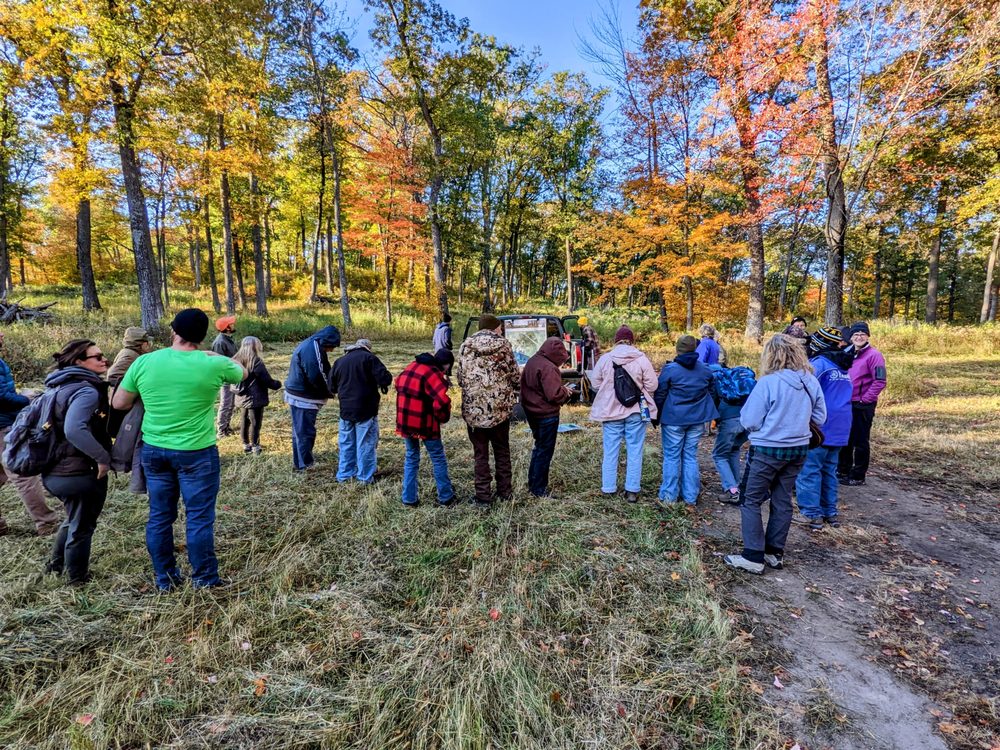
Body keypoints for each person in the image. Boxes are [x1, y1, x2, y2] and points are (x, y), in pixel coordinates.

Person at [112, 308, 246, 591]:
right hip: (198, 453)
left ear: (174, 331)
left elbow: (119, 403)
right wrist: (214, 355)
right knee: (198, 517)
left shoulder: (146, 362)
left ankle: (166, 578)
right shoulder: (212, 364)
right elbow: (243, 372)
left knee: (160, 516)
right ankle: (205, 579)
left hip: (154, 449)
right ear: (202, 337)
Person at [724, 334, 826, 575]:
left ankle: (752, 555)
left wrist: (770, 427)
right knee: (782, 499)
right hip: (798, 450)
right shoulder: (810, 381)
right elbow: (821, 418)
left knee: (750, 499)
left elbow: (748, 419)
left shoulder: (768, 383)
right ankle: (774, 552)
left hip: (767, 450)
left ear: (771, 355)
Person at [43, 339, 113, 585]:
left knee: (73, 518)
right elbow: (74, 429)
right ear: (78, 362)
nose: (104, 359)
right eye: (97, 356)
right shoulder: (85, 390)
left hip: (54, 469)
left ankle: (55, 566)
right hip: (77, 472)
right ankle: (77, 579)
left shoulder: (58, 384)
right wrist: (103, 458)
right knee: (82, 526)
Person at [0, 330, 61, 537]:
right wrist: (27, 399)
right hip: (3, 425)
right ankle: (47, 524)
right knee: (23, 475)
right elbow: (2, 396)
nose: (2, 337)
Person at [589, 325, 657, 503]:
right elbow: (653, 385)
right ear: (632, 340)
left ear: (615, 340)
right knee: (635, 450)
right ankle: (632, 491)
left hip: (610, 412)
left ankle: (609, 488)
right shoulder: (641, 358)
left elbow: (595, 384)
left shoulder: (605, 359)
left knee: (610, 450)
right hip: (635, 410)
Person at [457, 315, 521, 508]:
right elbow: (515, 376)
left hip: (474, 412)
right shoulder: (504, 345)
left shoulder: (465, 347)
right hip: (499, 411)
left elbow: (460, 378)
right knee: (502, 451)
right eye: (500, 328)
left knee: (480, 454)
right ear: (494, 328)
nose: (501, 331)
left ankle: (483, 497)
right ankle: (505, 492)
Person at [794, 326, 854, 530]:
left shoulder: (818, 365)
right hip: (841, 426)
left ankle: (810, 513)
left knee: (810, 469)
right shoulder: (843, 367)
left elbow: (804, 393)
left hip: (820, 426)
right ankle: (830, 512)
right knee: (829, 470)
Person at [653, 335, 718, 506]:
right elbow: (712, 393)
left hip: (674, 419)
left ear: (678, 349)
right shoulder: (705, 369)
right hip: (697, 419)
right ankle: (690, 496)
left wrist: (656, 416)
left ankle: (669, 497)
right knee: (690, 456)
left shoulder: (670, 369)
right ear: (695, 349)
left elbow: (660, 394)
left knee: (672, 457)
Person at [395, 349, 456, 507]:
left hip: (405, 421)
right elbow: (441, 401)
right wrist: (443, 417)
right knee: (437, 458)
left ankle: (409, 498)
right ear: (446, 365)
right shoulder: (432, 373)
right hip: (424, 422)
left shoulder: (411, 366)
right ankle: (446, 496)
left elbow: (397, 383)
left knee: (411, 457)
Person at [330, 338, 393, 484]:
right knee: (365, 444)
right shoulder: (370, 358)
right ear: (367, 348)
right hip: (366, 410)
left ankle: (345, 475)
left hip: (345, 410)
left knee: (346, 443)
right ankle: (364, 477)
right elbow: (386, 378)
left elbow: (331, 387)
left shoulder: (340, 361)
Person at [520, 337, 573, 498]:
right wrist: (566, 391)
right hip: (546, 414)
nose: (561, 364)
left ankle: (533, 483)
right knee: (544, 451)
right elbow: (554, 394)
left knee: (539, 448)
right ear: (556, 354)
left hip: (531, 411)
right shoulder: (549, 367)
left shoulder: (533, 361)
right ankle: (539, 489)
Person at [284, 325, 341, 472]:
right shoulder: (312, 349)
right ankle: (305, 465)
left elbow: (324, 368)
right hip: (303, 397)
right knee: (305, 432)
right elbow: (317, 374)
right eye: (332, 346)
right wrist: (329, 390)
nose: (332, 350)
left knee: (300, 431)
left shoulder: (313, 345)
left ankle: (301, 462)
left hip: (300, 393)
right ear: (326, 341)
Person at [838, 321, 886, 486]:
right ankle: (843, 470)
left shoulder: (874, 355)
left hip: (862, 405)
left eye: (862, 334)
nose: (859, 337)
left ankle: (858, 474)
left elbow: (879, 381)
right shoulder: (847, 352)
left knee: (860, 440)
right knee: (845, 438)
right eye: (856, 334)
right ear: (851, 337)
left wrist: (865, 399)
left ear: (867, 336)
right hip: (846, 403)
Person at [709, 363, 753, 503]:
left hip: (730, 420)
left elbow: (714, 401)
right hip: (746, 419)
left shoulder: (717, 380)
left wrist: (715, 420)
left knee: (719, 455)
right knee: (734, 450)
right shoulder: (736, 377)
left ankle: (731, 490)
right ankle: (736, 486)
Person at [232, 336, 282, 455]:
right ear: (255, 346)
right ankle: (255, 446)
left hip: (241, 395)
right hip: (255, 397)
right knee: (255, 422)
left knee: (244, 420)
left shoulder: (236, 359)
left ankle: (245, 444)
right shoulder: (255, 361)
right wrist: (277, 384)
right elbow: (266, 379)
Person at [211, 316, 238, 438]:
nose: (234, 325)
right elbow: (218, 362)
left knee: (231, 403)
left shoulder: (228, 339)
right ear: (227, 328)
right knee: (226, 403)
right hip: (225, 378)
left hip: (232, 376)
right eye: (231, 324)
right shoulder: (220, 342)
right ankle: (221, 431)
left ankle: (227, 427)